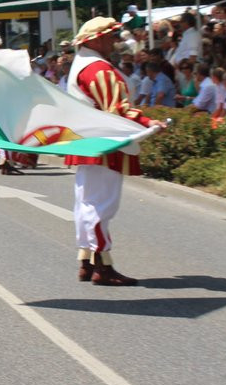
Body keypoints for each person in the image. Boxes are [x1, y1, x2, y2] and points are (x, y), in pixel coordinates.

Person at [65, 18, 165, 286]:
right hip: (104, 143)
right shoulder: (98, 68)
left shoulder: (82, 64)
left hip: (89, 141)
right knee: (100, 205)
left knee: (87, 201)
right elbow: (117, 108)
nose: (114, 41)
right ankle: (103, 267)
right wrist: (148, 122)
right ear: (95, 40)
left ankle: (86, 260)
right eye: (110, 37)